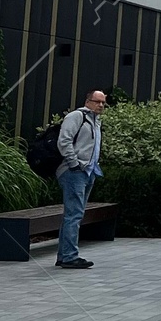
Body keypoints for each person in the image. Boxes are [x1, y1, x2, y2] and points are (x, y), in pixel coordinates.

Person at [55, 89, 107, 270]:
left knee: (73, 214)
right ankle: (70, 256)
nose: (100, 105)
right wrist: (74, 163)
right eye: (97, 101)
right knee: (74, 214)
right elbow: (64, 141)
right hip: (74, 172)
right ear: (88, 101)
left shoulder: (96, 121)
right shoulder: (77, 117)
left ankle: (64, 255)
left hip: (88, 171)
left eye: (103, 103)